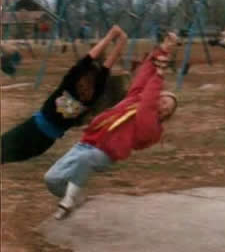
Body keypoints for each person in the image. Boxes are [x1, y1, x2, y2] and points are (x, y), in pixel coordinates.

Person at [43, 32, 179, 219]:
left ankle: (67, 201)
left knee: (86, 160)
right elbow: (143, 76)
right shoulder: (135, 98)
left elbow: (148, 103)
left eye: (168, 110)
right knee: (51, 180)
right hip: (87, 142)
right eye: (165, 102)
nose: (164, 108)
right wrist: (161, 51)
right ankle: (77, 198)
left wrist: (160, 76)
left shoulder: (153, 128)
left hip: (106, 153)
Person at [1, 25, 129, 164]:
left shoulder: (70, 81)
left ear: (83, 72)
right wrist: (122, 41)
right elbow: (107, 66)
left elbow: (92, 57)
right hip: (45, 142)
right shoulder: (93, 96)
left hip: (32, 128)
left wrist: (111, 35)